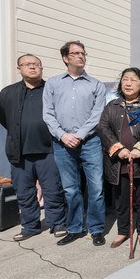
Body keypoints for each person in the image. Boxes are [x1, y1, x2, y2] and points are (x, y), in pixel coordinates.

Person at [43, 40, 106, 246]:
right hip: (62, 144)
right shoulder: (52, 83)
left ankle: (96, 229)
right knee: (70, 189)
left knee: (96, 188)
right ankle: (75, 228)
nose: (81, 56)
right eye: (76, 53)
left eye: (83, 53)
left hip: (90, 142)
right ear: (65, 58)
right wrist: (62, 135)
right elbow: (48, 114)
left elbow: (97, 114)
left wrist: (78, 134)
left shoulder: (96, 85)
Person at [0, 54, 66, 241]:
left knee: (53, 190)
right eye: (27, 64)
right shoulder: (7, 93)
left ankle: (57, 223)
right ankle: (30, 226)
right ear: (18, 68)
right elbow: (4, 119)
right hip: (19, 152)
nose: (33, 67)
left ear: (41, 69)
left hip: (49, 150)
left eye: (36, 64)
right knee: (24, 192)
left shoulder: (51, 90)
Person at [98, 67, 140, 248]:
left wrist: (139, 149)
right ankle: (123, 230)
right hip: (119, 162)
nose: (128, 83)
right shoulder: (112, 106)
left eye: (133, 80)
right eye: (125, 79)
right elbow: (103, 128)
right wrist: (118, 149)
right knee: (121, 199)